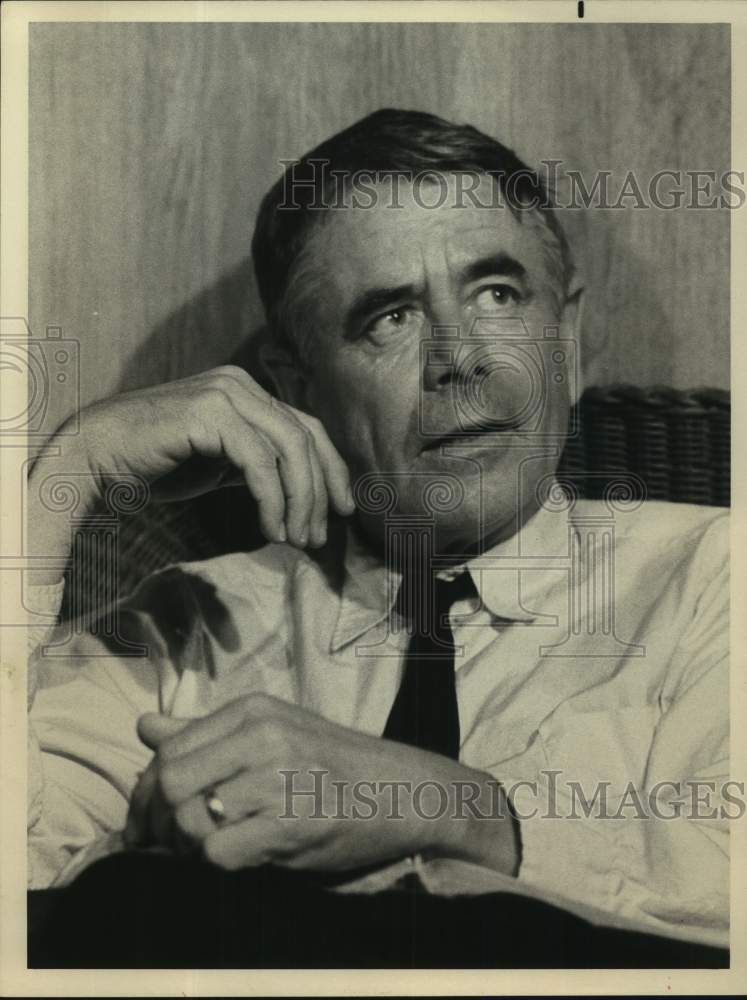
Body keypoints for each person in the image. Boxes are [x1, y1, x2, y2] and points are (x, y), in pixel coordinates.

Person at [27, 109, 729, 951]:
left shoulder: (715, 577)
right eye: (388, 318)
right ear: (296, 387)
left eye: (497, 295)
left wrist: (449, 809)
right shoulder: (187, 631)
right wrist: (61, 480)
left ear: (566, 339)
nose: (458, 358)